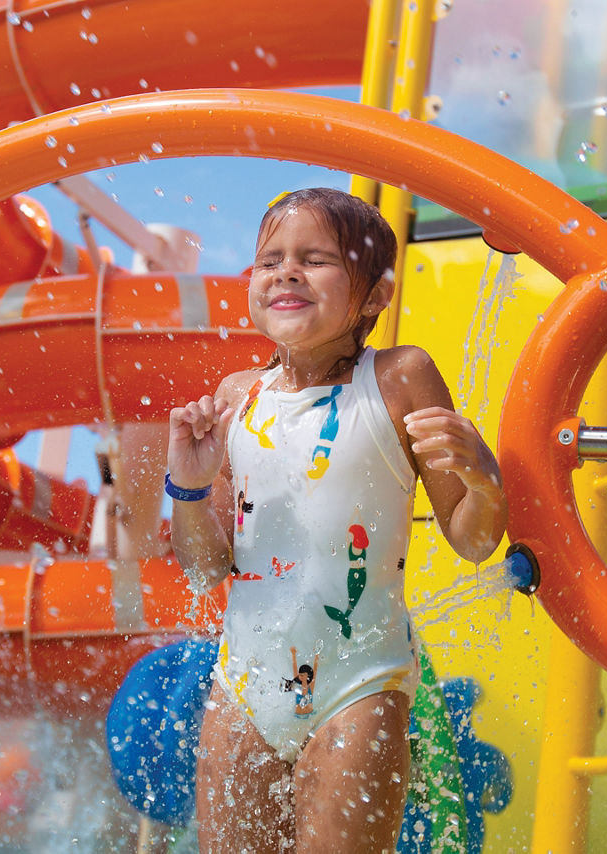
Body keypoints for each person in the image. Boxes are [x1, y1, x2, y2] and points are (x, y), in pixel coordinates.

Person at [166, 187, 506, 852]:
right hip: (243, 686)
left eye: (315, 258)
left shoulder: (400, 376)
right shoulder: (239, 397)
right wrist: (188, 488)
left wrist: (482, 475)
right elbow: (206, 569)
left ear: (375, 295)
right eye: (270, 261)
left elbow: (474, 539)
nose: (286, 271)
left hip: (358, 685)